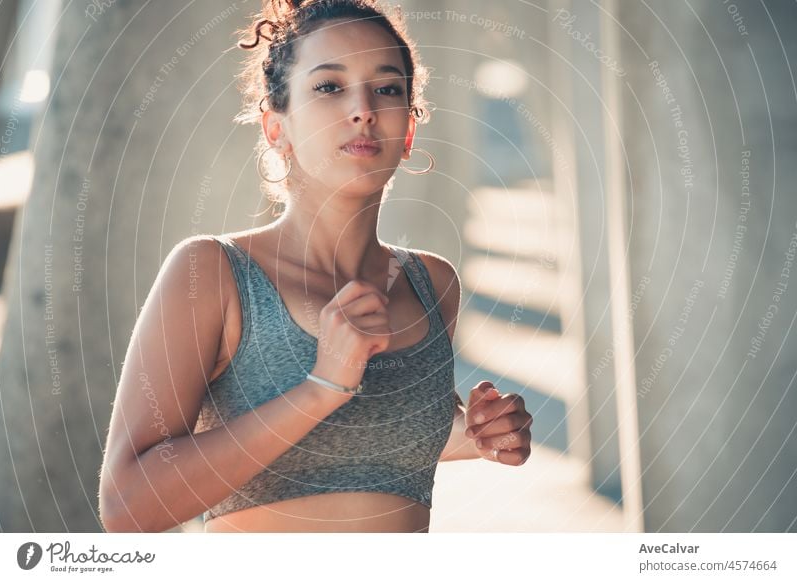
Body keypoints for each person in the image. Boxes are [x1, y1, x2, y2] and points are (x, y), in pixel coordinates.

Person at [98, 0, 532, 533]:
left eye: (388, 88)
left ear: (410, 131)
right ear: (276, 128)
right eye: (329, 87)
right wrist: (321, 386)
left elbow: (370, 438)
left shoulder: (432, 283)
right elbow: (127, 507)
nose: (364, 108)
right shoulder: (212, 273)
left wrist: (480, 434)